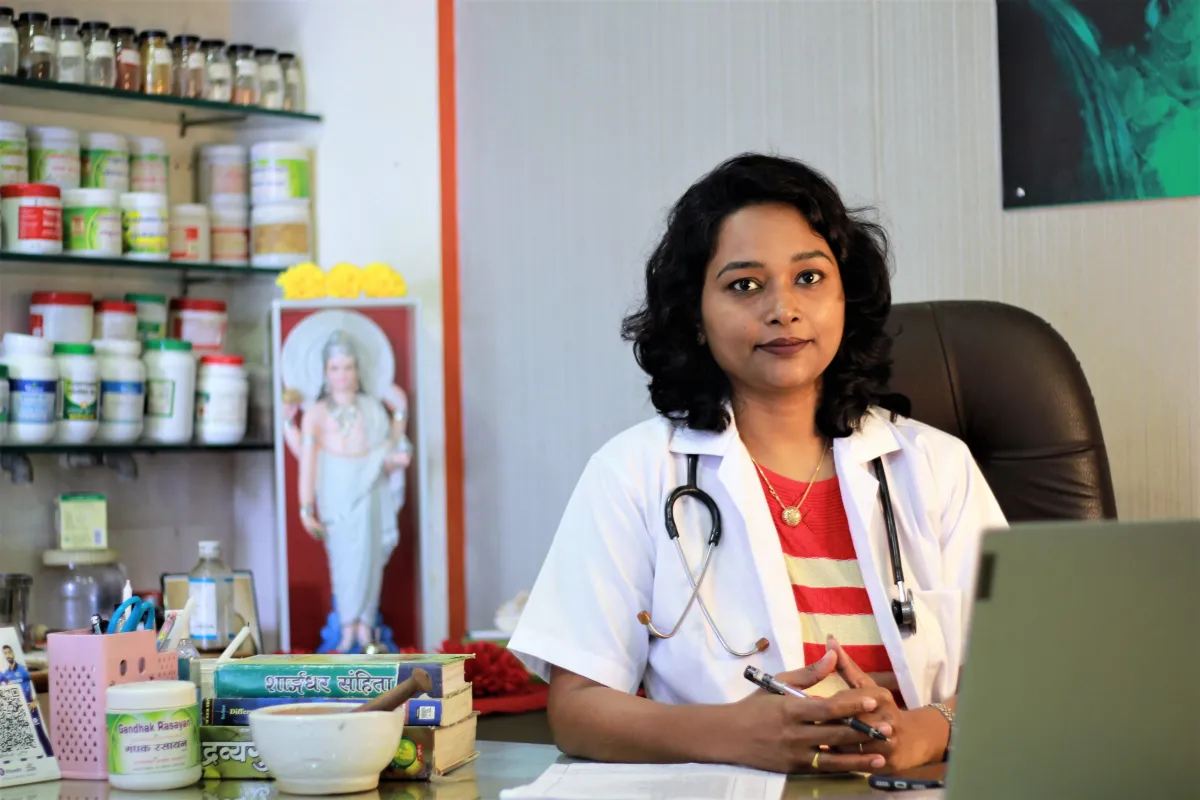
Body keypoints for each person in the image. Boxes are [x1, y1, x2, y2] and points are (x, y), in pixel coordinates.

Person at [506, 153, 1007, 775]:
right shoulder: (633, 474)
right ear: (695, 314)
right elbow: (577, 711)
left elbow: (1026, 668)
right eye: (745, 284)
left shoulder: (936, 467)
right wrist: (733, 734)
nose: (783, 309)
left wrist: (925, 732)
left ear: (846, 294)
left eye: (810, 278)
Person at [280, 330, 412, 653]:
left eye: (349, 367)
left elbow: (389, 448)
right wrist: (305, 507)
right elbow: (309, 459)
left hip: (369, 490)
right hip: (336, 493)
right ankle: (347, 629)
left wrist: (401, 411)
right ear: (325, 372)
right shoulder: (317, 413)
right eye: (336, 368)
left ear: (358, 371)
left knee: (369, 559)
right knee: (344, 562)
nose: (343, 375)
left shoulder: (371, 407)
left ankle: (366, 628)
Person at [1, 643, 53, 756]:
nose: (8, 655)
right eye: (5, 653)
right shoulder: (5, 674)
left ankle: (50, 757)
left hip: (30, 708)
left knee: (39, 733)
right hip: (17, 711)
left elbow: (38, 685)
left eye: (9, 652)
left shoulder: (23, 670)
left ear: (13, 653)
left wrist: (35, 701)